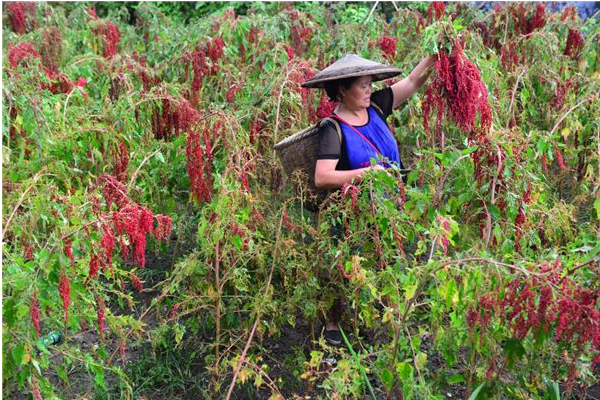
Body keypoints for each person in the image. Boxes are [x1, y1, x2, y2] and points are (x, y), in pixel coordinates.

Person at [301, 53, 435, 345]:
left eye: (369, 84)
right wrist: (365, 174)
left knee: (385, 258)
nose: (368, 90)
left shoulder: (376, 106)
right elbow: (322, 177)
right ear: (342, 91)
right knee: (342, 266)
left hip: (386, 204)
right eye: (361, 86)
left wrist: (436, 54)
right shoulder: (332, 128)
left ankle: (381, 318)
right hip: (350, 210)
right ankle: (333, 323)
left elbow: (412, 82)